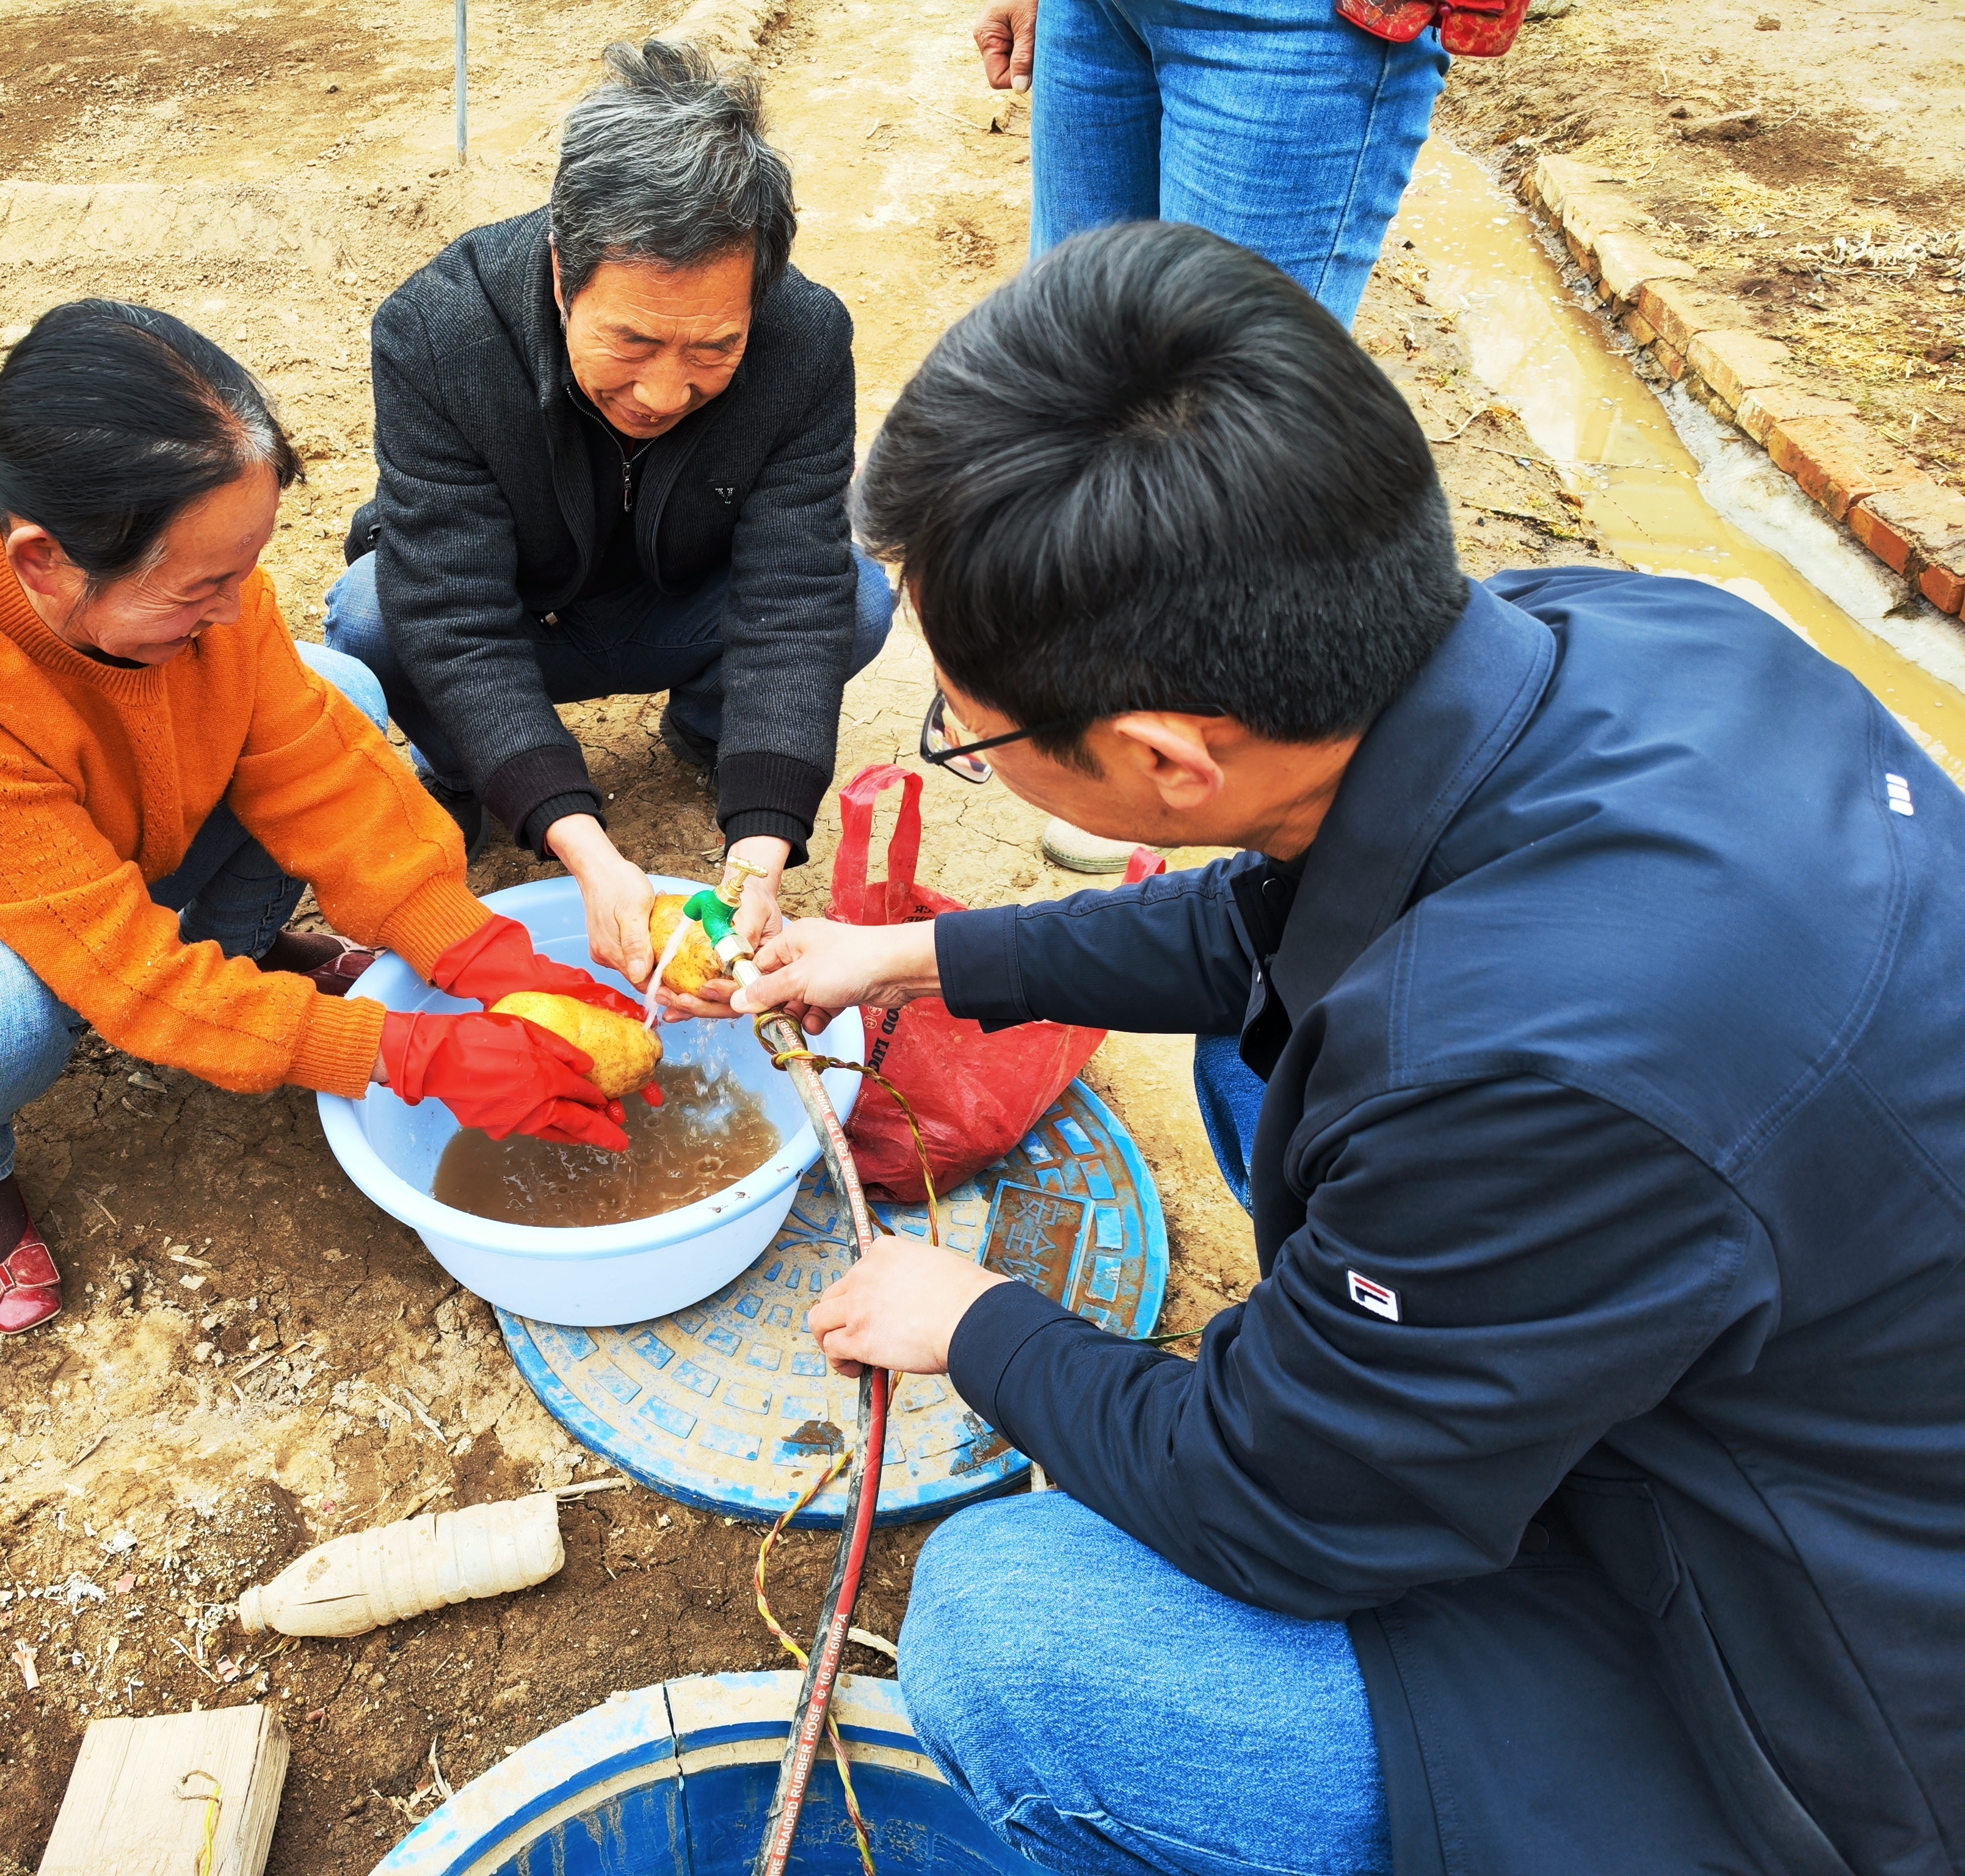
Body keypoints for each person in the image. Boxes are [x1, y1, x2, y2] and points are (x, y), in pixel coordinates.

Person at [735, 224, 1965, 1876]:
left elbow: (1280, 1511)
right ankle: (1408, 1381)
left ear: (1171, 757)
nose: (954, 751)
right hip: (1800, 1347)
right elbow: (1266, 917)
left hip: (1817, 1681)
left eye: (966, 730)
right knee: (1267, 1060)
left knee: (1010, 1635)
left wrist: (982, 1324)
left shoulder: (1521, 1074)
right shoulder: (1609, 640)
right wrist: (923, 953)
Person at [0, 301, 642, 1336]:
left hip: (95, 838)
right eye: (199, 586)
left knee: (335, 691)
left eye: (244, 567)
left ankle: (242, 963)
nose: (237, 607)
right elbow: (128, 975)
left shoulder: (198, 588)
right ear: (43, 560)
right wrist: (414, 1056)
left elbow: (321, 783)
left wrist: (480, 953)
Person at [325, 40, 898, 1009]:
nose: (666, 390)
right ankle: (471, 771)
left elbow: (789, 594)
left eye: (715, 348)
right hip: (519, 615)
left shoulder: (806, 338)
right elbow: (455, 614)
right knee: (377, 613)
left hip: (679, 605)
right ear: (560, 268)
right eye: (630, 341)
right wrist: (581, 844)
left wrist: (761, 847)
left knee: (854, 599)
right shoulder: (440, 330)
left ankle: (713, 733)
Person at [970, 0, 1450, 878]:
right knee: (1072, 372)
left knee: (1223, 417)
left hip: (1292, 24)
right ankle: (1061, 698)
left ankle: (1154, 720)